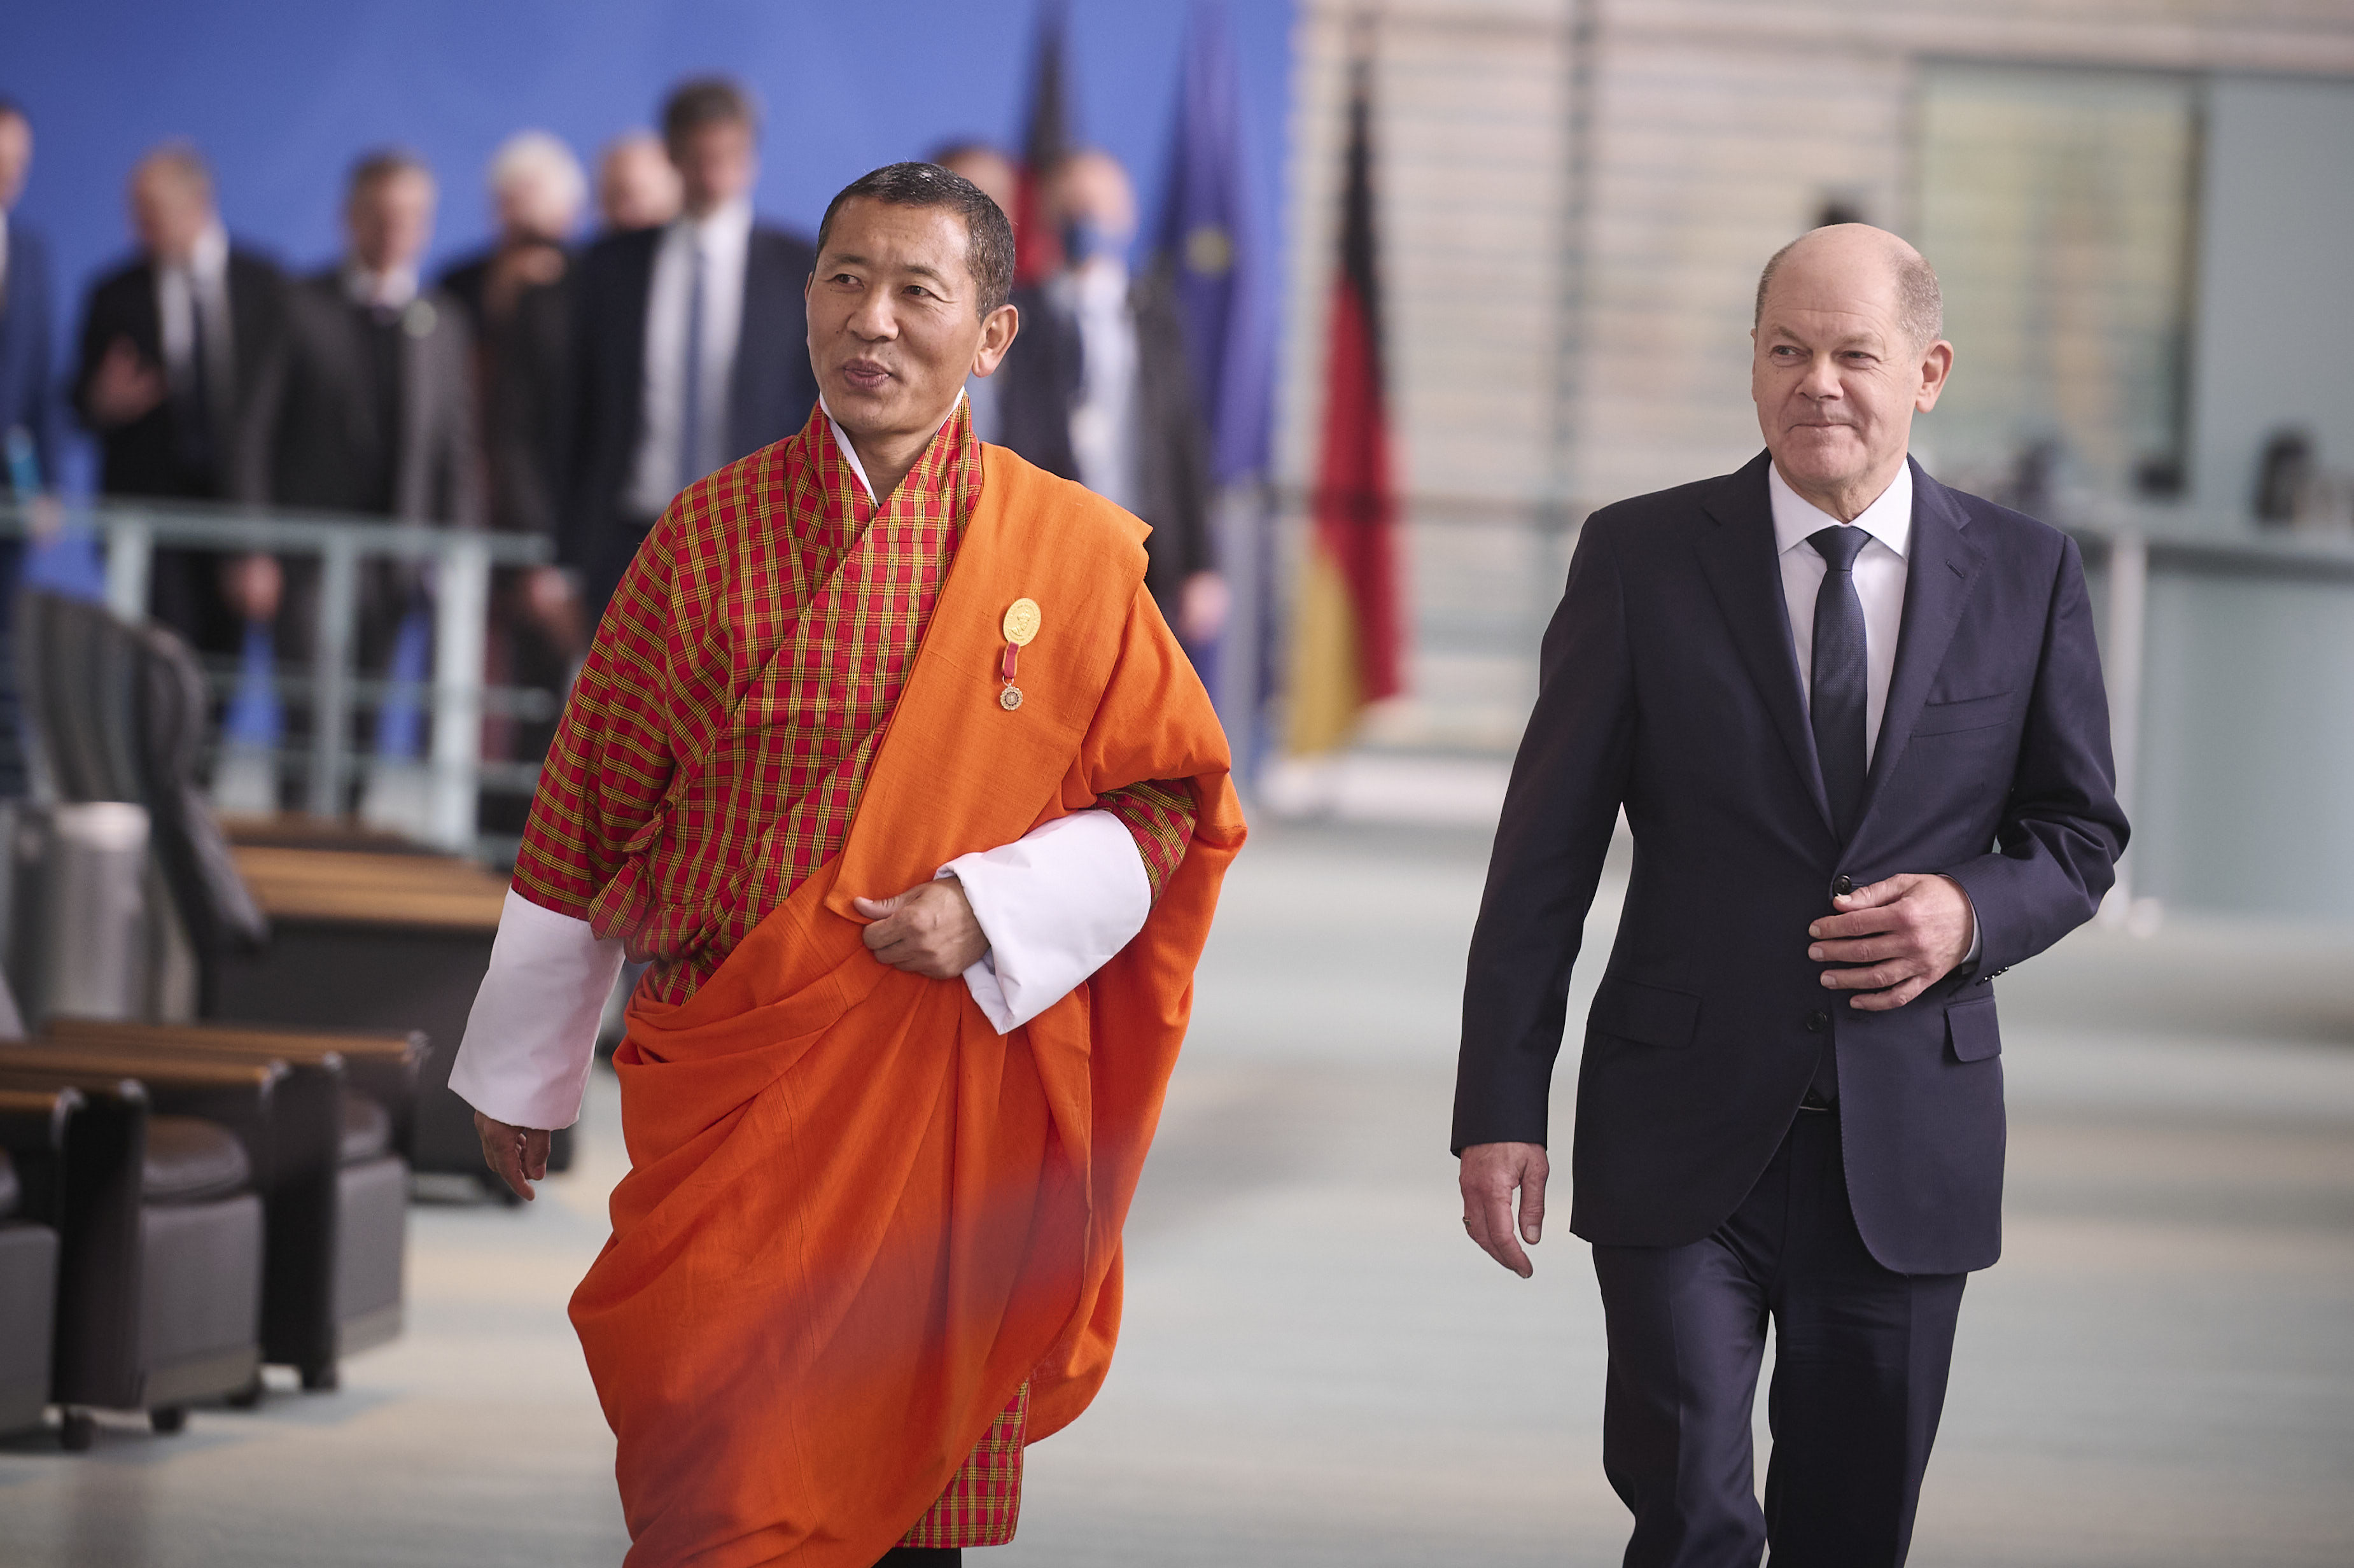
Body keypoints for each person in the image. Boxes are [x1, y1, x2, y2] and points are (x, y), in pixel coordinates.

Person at [448, 160, 1240, 1567]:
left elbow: (1169, 804)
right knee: (718, 1456)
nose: (872, 321)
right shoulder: (704, 537)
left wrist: (991, 906)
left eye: (917, 292)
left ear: (990, 334)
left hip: (940, 1104)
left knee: (910, 1478)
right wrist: (526, 1071)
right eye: (843, 281)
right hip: (737, 1095)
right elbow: (583, 810)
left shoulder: (1059, 553)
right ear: (804, 299)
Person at [1453, 223, 2127, 1567]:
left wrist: (1967, 914)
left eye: (1853, 354)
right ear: (1750, 368)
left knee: (1850, 1527)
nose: (1816, 382)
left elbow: (2076, 830)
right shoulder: (1640, 558)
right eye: (1784, 350)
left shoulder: (2025, 573)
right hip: (1680, 1125)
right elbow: (1542, 856)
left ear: (1926, 370)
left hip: (1903, 1135)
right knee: (1692, 1512)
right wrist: (1499, 1108)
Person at [234, 150, 479, 801]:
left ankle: (348, 853)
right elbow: (252, 433)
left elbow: (453, 450)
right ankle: (294, 860)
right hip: (305, 555)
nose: (395, 229)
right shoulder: (294, 306)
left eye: (411, 216)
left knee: (369, 718)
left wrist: (455, 553)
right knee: (309, 713)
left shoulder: (442, 323)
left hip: (394, 561)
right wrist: (253, 545)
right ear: (351, 219)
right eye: (381, 214)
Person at [561, 78, 818, 627]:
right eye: (699, 158)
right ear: (672, 156)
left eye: (728, 157)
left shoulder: (801, 270)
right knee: (623, 710)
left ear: (751, 157)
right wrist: (564, 559)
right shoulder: (610, 267)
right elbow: (575, 412)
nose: (713, 175)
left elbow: (814, 407)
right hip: (628, 539)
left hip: (756, 541)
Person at [72, 141, 287, 654]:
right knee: (156, 656)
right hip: (148, 512)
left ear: (197, 203)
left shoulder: (266, 286)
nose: (138, 229)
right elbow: (76, 402)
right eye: (135, 213)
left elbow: (284, 408)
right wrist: (101, 401)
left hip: (239, 515)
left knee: (221, 666)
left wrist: (263, 537)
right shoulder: (113, 292)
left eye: (152, 213)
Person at [438, 132, 590, 797]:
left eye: (538, 205)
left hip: (551, 526)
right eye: (510, 204)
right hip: (467, 507)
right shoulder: (457, 284)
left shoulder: (590, 286)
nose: (525, 221)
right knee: (460, 685)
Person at [1046, 150, 1225, 650]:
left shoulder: (1155, 315)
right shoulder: (1026, 316)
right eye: (1074, 206)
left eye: (1099, 206)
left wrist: (1201, 563)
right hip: (1051, 541)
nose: (1086, 220)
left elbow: (1183, 436)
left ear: (1126, 217)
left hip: (1146, 543)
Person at [927, 140, 1079, 479]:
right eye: (968, 195)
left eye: (997, 197)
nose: (986, 212)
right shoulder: (885, 308)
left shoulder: (1040, 321)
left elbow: (1054, 441)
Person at [594, 130, 682, 235]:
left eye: (639, 195)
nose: (627, 212)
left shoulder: (696, 247)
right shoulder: (597, 249)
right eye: (615, 198)